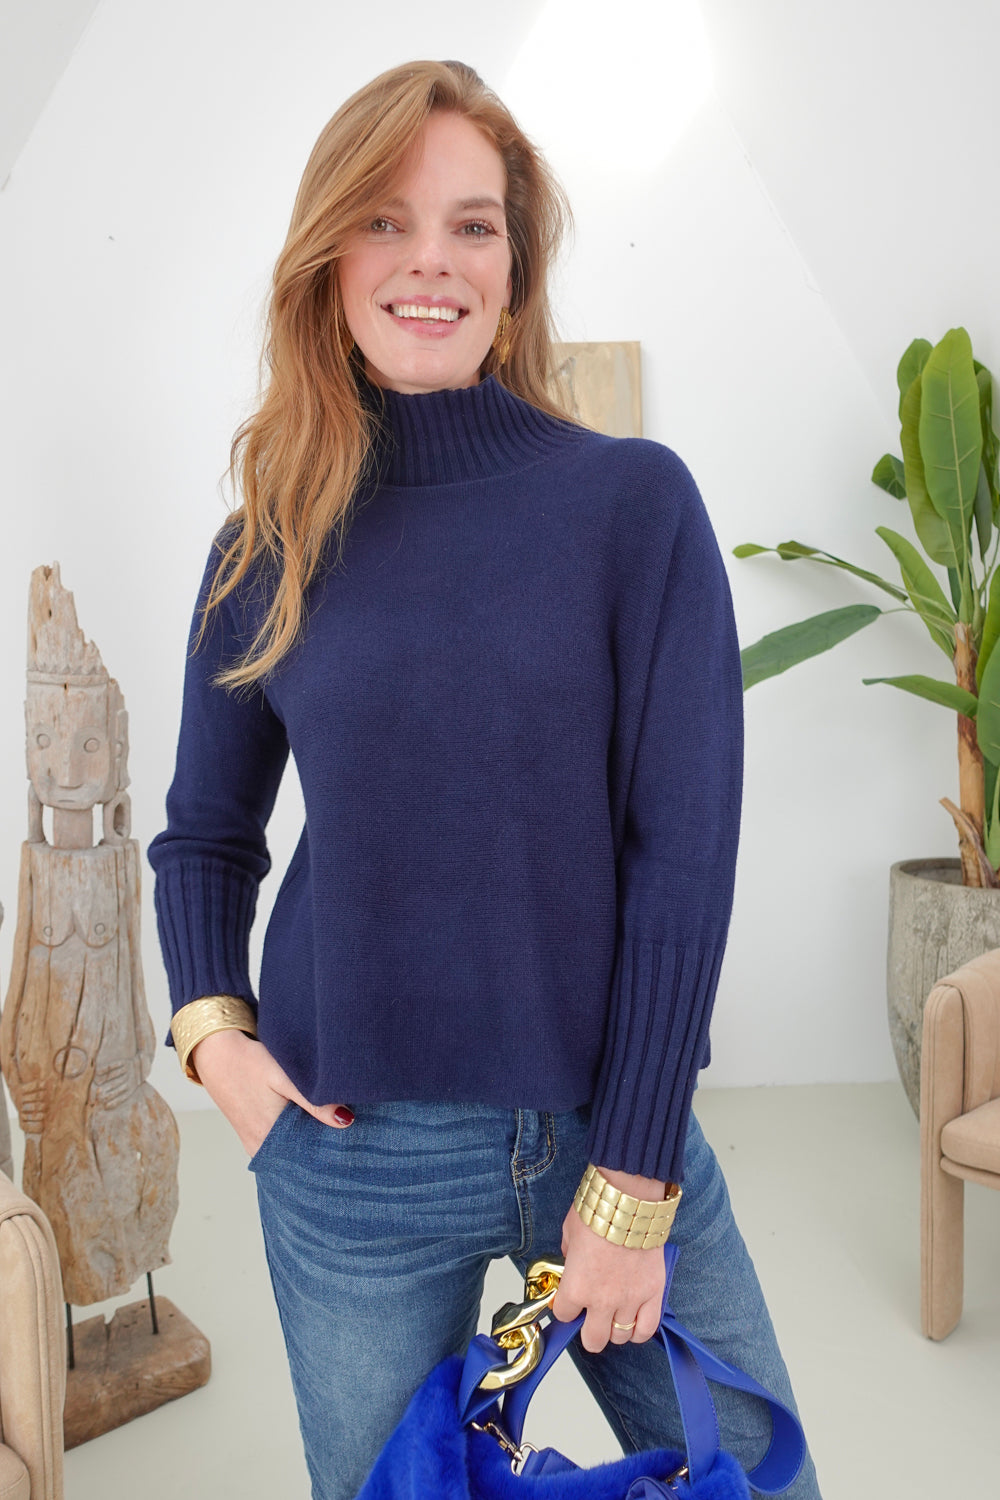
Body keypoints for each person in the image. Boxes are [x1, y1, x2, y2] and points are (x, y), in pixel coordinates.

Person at [148, 60, 822, 1500]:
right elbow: (204, 835)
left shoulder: (632, 505)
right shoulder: (267, 538)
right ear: (329, 262)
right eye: (385, 223)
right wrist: (215, 1045)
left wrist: (630, 1180)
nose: (431, 263)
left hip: (604, 1128)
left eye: (472, 226)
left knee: (766, 1480)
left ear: (515, 272)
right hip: (351, 1157)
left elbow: (682, 857)